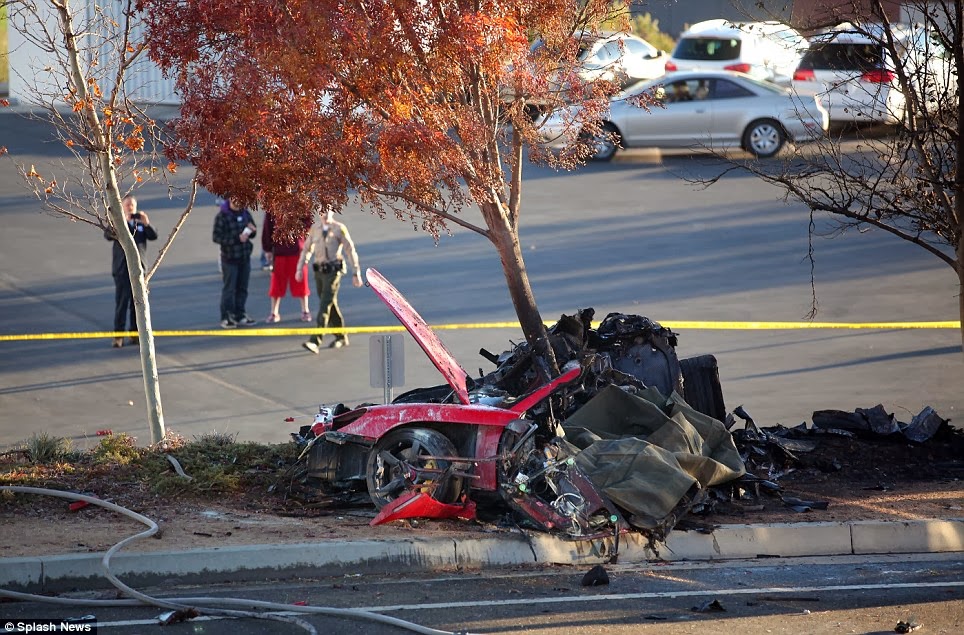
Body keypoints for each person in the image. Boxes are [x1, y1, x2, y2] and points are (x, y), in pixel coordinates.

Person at [296, 206, 362, 353]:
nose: (324, 214)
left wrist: (356, 272)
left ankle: (315, 340)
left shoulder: (339, 228)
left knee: (325, 304)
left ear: (332, 211)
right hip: (319, 272)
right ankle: (341, 336)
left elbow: (350, 250)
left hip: (333, 272)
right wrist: (300, 268)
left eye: (327, 210)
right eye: (321, 211)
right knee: (329, 303)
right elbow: (307, 249)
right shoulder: (315, 229)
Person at [104, 195, 158, 348]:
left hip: (140, 270)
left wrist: (146, 223)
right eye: (127, 205)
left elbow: (153, 236)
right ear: (122, 206)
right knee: (122, 303)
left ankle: (135, 333)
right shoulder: (118, 222)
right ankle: (118, 336)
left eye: (132, 205)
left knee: (138, 303)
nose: (130, 207)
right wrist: (121, 222)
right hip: (122, 270)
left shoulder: (140, 223)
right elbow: (108, 235)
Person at [213, 195, 258, 328]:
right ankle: (226, 316)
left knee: (242, 288)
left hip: (244, 257)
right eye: (235, 199)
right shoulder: (222, 216)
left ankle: (240, 314)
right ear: (230, 200)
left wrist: (252, 231)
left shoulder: (245, 213)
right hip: (229, 259)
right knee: (229, 289)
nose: (237, 201)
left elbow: (253, 231)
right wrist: (237, 239)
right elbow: (216, 237)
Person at [262, 209, 312, 323]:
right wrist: (267, 249)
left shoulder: (300, 203)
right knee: (276, 283)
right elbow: (267, 227)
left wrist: (303, 238)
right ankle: (274, 312)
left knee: (301, 281)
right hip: (279, 252)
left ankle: (305, 310)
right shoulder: (272, 205)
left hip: (297, 251)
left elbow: (308, 221)